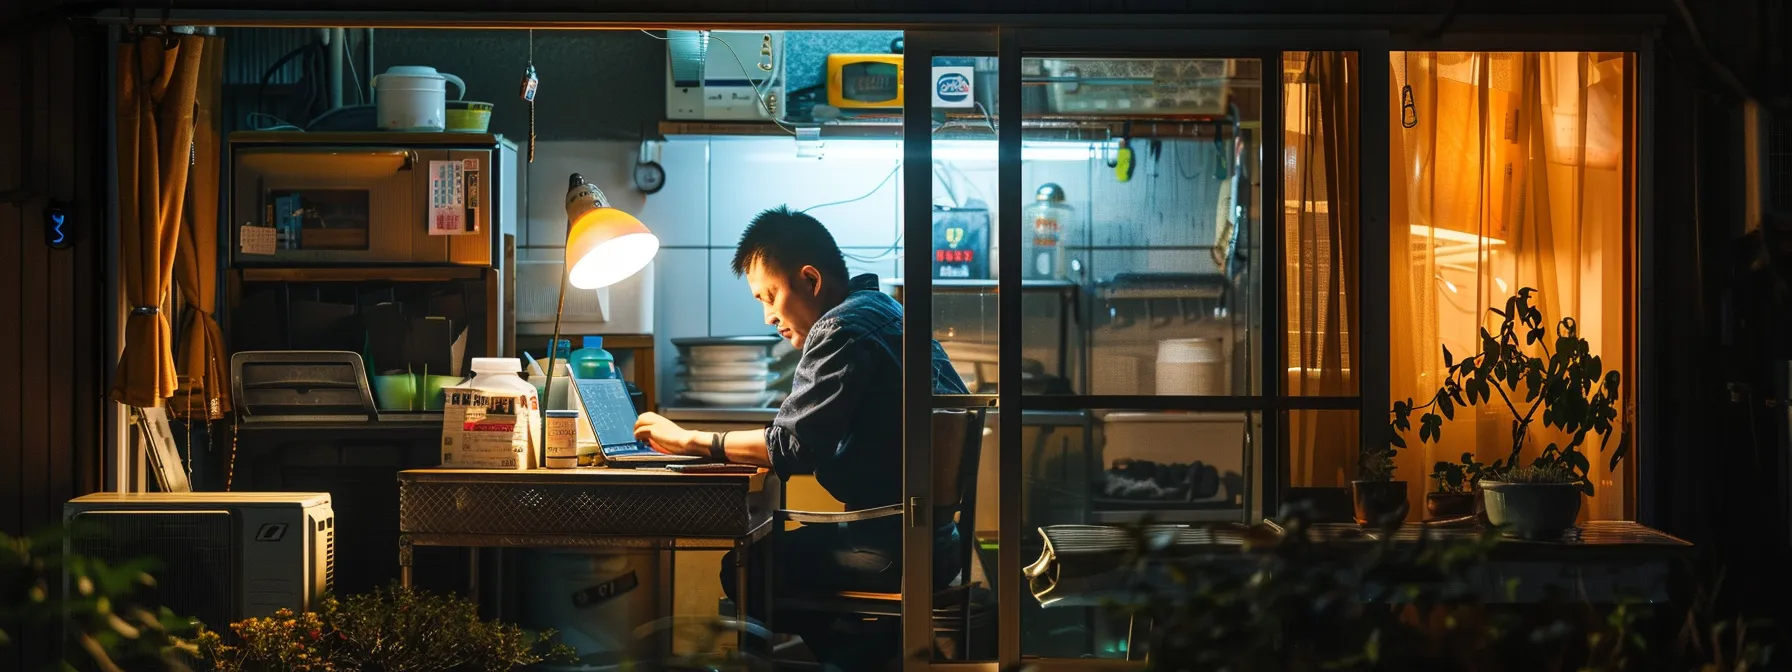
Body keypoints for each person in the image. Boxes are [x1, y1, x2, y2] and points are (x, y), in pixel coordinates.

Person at [633, 205, 967, 670]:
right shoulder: (887, 311)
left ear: (810, 280)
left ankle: (858, 662)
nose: (768, 315)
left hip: (890, 549)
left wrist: (690, 440)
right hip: (939, 544)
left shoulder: (840, 328)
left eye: (770, 295)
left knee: (747, 568)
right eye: (759, 301)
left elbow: (792, 448)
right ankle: (866, 656)